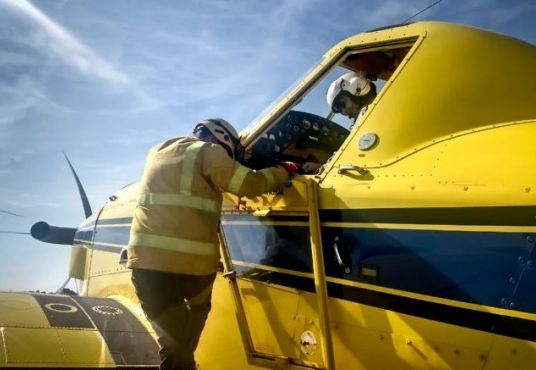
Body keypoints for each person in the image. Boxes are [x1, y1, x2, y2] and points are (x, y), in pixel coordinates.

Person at [126, 118, 298, 370]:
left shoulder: (158, 151)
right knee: (188, 328)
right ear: (221, 138)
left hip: (145, 266)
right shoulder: (209, 151)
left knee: (174, 346)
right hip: (192, 268)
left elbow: (187, 188)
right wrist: (285, 169)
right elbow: (248, 184)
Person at [301, 71, 378, 174]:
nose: (342, 112)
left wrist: (322, 169)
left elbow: (350, 155)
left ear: (356, 87)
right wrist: (321, 166)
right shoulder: (377, 110)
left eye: (340, 104)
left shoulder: (368, 115)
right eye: (337, 109)